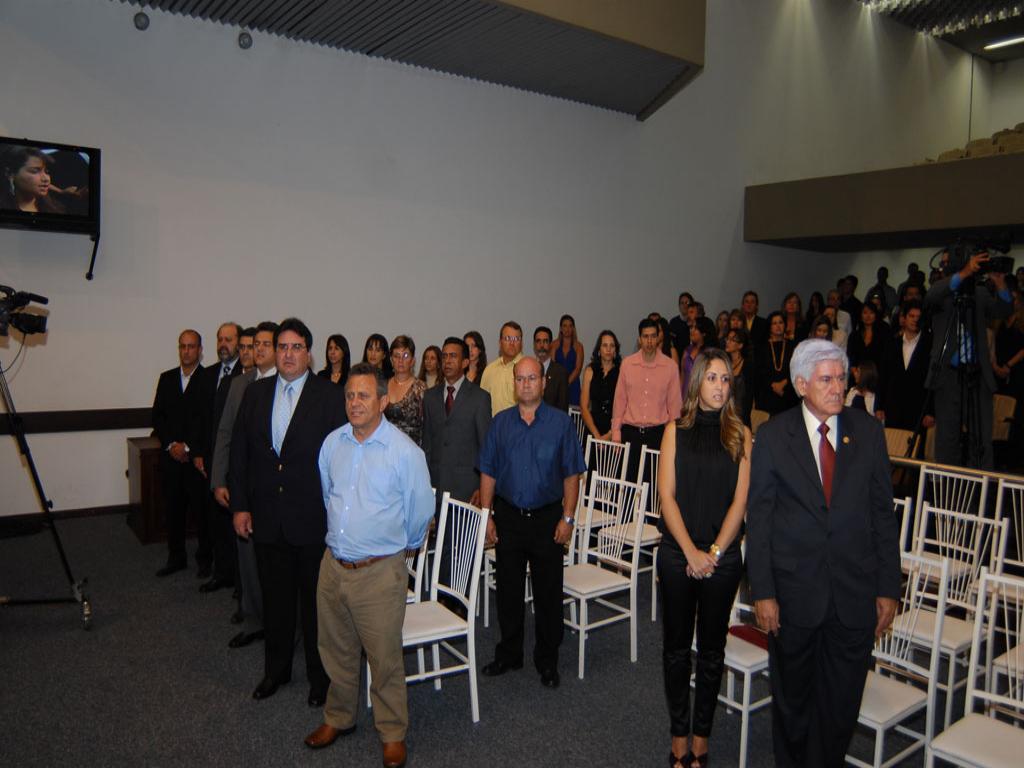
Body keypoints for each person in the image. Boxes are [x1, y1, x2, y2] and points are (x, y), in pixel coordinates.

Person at [746, 339, 900, 768]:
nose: (838, 388)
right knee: (793, 704)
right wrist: (763, 592)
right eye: (826, 379)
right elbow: (760, 520)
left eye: (841, 378)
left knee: (840, 707)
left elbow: (883, 515)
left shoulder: (867, 432)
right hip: (793, 596)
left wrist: (889, 587)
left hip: (855, 594)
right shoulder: (773, 437)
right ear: (801, 385)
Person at [304, 363, 434, 768]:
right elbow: (327, 494)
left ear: (383, 400)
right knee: (335, 650)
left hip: (380, 573)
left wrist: (396, 549)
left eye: (363, 395)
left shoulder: (405, 453)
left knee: (384, 659)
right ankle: (338, 717)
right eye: (349, 395)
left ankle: (392, 732)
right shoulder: (333, 444)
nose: (354, 403)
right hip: (333, 567)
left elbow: (420, 513)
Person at [230, 318, 347, 706]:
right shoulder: (256, 393)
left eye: (297, 347)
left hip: (312, 519)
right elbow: (240, 452)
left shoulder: (329, 396)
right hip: (267, 517)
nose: (288, 354)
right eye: (282, 347)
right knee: (275, 601)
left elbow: (342, 458)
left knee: (316, 606)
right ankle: (275, 671)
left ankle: (320, 678)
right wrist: (241, 506)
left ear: (308, 354)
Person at [658, 349, 751, 768]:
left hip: (722, 558)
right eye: (712, 377)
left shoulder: (741, 434)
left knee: (712, 652)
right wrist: (691, 552)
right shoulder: (675, 430)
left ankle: (701, 738)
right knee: (676, 650)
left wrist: (712, 553)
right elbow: (667, 497)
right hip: (678, 555)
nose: (720, 386)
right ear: (697, 382)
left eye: (725, 379)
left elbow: (740, 502)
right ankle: (679, 737)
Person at [479, 357, 586, 689]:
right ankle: (510, 653)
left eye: (532, 378)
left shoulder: (560, 424)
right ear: (514, 384)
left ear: (543, 382)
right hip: (509, 517)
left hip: (547, 519)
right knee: (508, 591)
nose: (525, 384)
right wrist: (486, 516)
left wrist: (568, 518)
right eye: (520, 379)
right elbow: (488, 472)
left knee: (548, 593)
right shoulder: (500, 423)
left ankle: (547, 660)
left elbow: (572, 474)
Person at [211, 321, 278, 650]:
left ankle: (280, 623)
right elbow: (225, 433)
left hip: (278, 491)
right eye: (254, 345)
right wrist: (218, 479)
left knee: (277, 563)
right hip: (245, 487)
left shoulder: (288, 383)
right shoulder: (240, 385)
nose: (258, 350)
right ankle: (253, 620)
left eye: (265, 345)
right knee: (248, 560)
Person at [925, 252, 1012, 468]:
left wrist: (1000, 283)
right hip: (948, 375)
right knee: (947, 439)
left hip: (977, 375)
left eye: (947, 261)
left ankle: (981, 484)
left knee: (981, 439)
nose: (944, 265)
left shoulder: (979, 292)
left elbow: (1003, 310)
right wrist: (964, 273)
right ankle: (948, 484)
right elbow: (931, 296)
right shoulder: (942, 289)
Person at [189, 322, 244, 590]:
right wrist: (198, 452)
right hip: (211, 459)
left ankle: (238, 579)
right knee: (215, 520)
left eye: (229, 339)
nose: (224, 344)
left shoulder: (246, 374)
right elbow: (200, 418)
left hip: (236, 461)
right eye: (220, 339)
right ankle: (221, 572)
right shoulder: (208, 375)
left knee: (235, 520)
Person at [151, 329, 207, 577]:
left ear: (200, 350)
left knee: (201, 512)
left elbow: (207, 420)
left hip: (196, 459)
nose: (186, 351)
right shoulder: (166, 378)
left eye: (191, 346)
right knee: (173, 510)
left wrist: (188, 447)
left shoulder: (208, 379)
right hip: (171, 458)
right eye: (182, 346)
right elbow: (157, 417)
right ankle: (176, 557)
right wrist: (172, 444)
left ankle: (205, 560)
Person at [422, 337, 492, 508]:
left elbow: (486, 447)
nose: (447, 361)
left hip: (467, 489)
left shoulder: (480, 398)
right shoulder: (430, 397)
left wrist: (482, 487)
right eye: (444, 356)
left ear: (465, 362)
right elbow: (427, 445)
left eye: (453, 356)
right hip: (436, 486)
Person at [612, 318, 683, 482]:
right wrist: (616, 432)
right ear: (639, 339)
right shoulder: (627, 364)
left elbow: (675, 407)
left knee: (653, 484)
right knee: (626, 484)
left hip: (657, 435)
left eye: (653, 336)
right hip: (630, 432)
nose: (649, 341)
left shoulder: (670, 367)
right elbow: (620, 401)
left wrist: (674, 439)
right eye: (645, 336)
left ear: (658, 338)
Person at [879, 300, 932, 433]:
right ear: (904, 318)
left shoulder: (929, 345)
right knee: (893, 443)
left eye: (918, 317)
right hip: (893, 407)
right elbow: (883, 376)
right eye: (911, 316)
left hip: (918, 409)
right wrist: (879, 406)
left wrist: (931, 411)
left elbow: (933, 380)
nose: (915, 320)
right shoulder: (892, 343)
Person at [0, 146, 81, 213]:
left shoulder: (56, 209)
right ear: (10, 174)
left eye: (46, 172)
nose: (46, 179)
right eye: (35, 171)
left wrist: (61, 192)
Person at [384, 335, 426, 445]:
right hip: (384, 448)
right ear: (391, 360)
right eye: (396, 356)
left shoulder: (421, 388)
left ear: (413, 360)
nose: (400, 360)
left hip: (411, 448)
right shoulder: (382, 386)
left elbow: (428, 425)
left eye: (405, 355)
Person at [579, 330, 621, 440]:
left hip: (614, 430)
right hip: (592, 428)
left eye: (612, 346)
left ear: (615, 350)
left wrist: (610, 434)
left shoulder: (622, 372)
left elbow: (625, 408)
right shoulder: (589, 371)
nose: (608, 349)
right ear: (599, 350)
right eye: (605, 345)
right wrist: (596, 435)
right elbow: (584, 406)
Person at [755, 311, 798, 416]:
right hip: (767, 394)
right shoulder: (761, 347)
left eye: (780, 322)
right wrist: (773, 385)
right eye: (774, 323)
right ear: (770, 327)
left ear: (785, 325)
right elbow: (759, 371)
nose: (778, 326)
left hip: (788, 393)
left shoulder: (793, 346)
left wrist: (784, 383)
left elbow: (797, 368)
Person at [480, 321, 524, 416]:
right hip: (493, 423)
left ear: (521, 343)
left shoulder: (527, 369)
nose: (512, 343)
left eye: (516, 339)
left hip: (519, 424)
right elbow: (481, 404)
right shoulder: (489, 369)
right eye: (508, 338)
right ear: (500, 342)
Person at [534, 325, 569, 411]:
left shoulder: (560, 372)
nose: (542, 345)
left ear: (550, 344)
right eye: (538, 341)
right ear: (534, 345)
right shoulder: (529, 370)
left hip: (553, 418)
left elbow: (563, 407)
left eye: (545, 341)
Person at [554, 314, 585, 406]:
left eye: (570, 326)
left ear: (573, 328)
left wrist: (566, 383)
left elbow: (578, 369)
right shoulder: (554, 345)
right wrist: (560, 385)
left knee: (573, 412)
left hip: (573, 385)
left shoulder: (579, 346)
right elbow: (552, 366)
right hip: (557, 386)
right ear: (560, 328)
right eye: (565, 326)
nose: (567, 329)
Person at [724, 327, 753, 426]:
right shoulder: (724, 363)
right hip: (724, 413)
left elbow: (749, 396)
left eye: (732, 340)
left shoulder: (748, 365)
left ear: (740, 345)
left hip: (741, 417)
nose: (728, 342)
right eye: (727, 339)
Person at [681, 317, 715, 396]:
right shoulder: (687, 350)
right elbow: (682, 375)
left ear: (704, 333)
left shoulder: (710, 353)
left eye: (696, 328)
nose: (691, 330)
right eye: (691, 327)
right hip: (685, 395)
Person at [669, 293, 695, 357]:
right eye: (682, 303)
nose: (684, 305)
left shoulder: (696, 322)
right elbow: (670, 343)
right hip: (676, 357)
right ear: (679, 306)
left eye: (687, 303)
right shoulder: (673, 322)